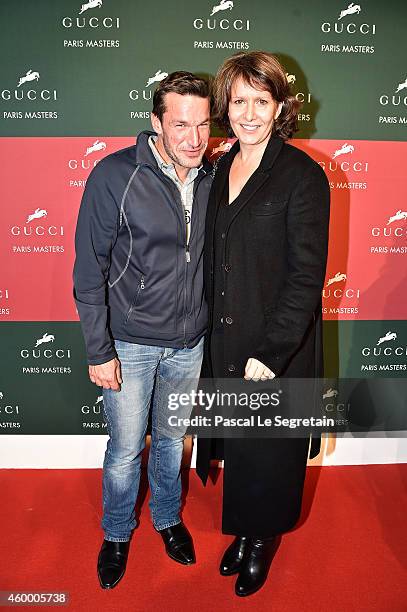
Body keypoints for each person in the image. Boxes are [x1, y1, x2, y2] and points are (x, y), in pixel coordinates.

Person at [196, 51, 330, 597]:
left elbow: (306, 277)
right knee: (239, 445)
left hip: (275, 346)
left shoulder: (302, 175)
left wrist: (273, 351)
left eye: (262, 100)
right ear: (227, 105)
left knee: (267, 452)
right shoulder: (220, 164)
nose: (249, 112)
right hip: (227, 333)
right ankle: (246, 529)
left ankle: (258, 543)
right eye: (240, 100)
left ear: (279, 107)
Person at [73, 71, 212, 589]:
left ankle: (169, 520)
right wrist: (98, 349)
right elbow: (90, 269)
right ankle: (115, 532)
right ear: (156, 123)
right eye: (181, 124)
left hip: (189, 342)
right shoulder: (115, 174)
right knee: (126, 448)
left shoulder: (211, 176)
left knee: (174, 440)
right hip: (129, 344)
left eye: (202, 124)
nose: (194, 138)